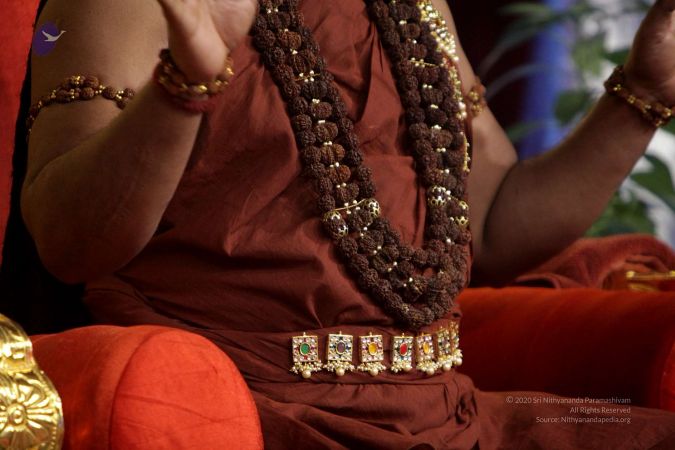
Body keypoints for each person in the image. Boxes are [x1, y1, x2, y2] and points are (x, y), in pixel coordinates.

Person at [13, 0, 675, 447]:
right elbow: (69, 245)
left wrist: (643, 94)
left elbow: (493, 224)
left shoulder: (417, 7)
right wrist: (183, 88)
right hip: (255, 411)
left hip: (450, 413)